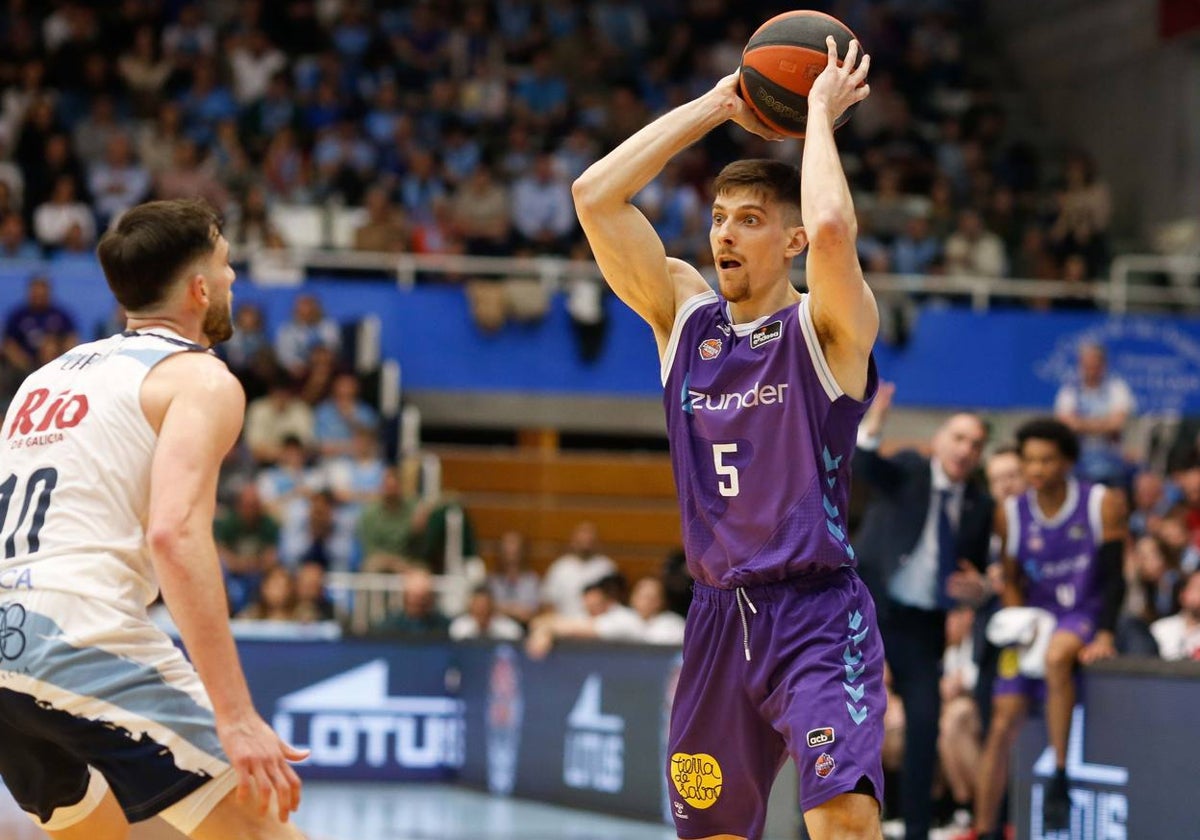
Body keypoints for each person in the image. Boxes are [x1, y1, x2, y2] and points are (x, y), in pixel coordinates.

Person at [574, 37, 883, 839]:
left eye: (750, 220)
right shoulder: (683, 315)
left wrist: (816, 113)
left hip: (814, 612)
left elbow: (833, 229)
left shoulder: (827, 328)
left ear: (789, 243)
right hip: (716, 618)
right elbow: (594, 195)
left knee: (843, 820)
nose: (726, 235)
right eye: (719, 218)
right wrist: (717, 105)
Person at [0, 199, 306, 837]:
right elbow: (174, 533)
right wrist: (237, 713)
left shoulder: (43, 379)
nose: (232, 281)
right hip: (77, 632)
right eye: (226, 267)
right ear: (199, 288)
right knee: (264, 827)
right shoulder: (199, 378)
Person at [970, 418, 1127, 839]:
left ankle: (1059, 776)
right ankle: (984, 827)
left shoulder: (1101, 502)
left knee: (1058, 656)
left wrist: (1107, 633)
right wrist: (1019, 625)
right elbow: (1012, 580)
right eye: (1030, 460)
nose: (1037, 469)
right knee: (1001, 721)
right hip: (1034, 617)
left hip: (1082, 611)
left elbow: (1114, 577)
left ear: (1068, 462)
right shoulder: (1010, 514)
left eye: (1047, 460)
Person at [852, 383, 993, 840]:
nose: (966, 450)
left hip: (923, 629)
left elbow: (975, 576)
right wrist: (873, 423)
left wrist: (977, 589)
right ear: (939, 442)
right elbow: (865, 465)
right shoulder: (911, 470)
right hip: (870, 615)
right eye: (959, 438)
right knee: (844, 724)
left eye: (976, 444)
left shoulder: (979, 505)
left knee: (925, 728)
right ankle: (820, 826)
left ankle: (915, 830)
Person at [1053, 342, 1134, 488]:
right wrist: (1104, 423)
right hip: (1077, 466)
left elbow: (1117, 423)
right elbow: (1065, 425)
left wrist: (1081, 423)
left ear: (1103, 366)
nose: (1090, 370)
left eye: (1095, 365)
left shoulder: (1117, 388)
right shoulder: (1069, 390)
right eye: (1086, 365)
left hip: (1113, 466)